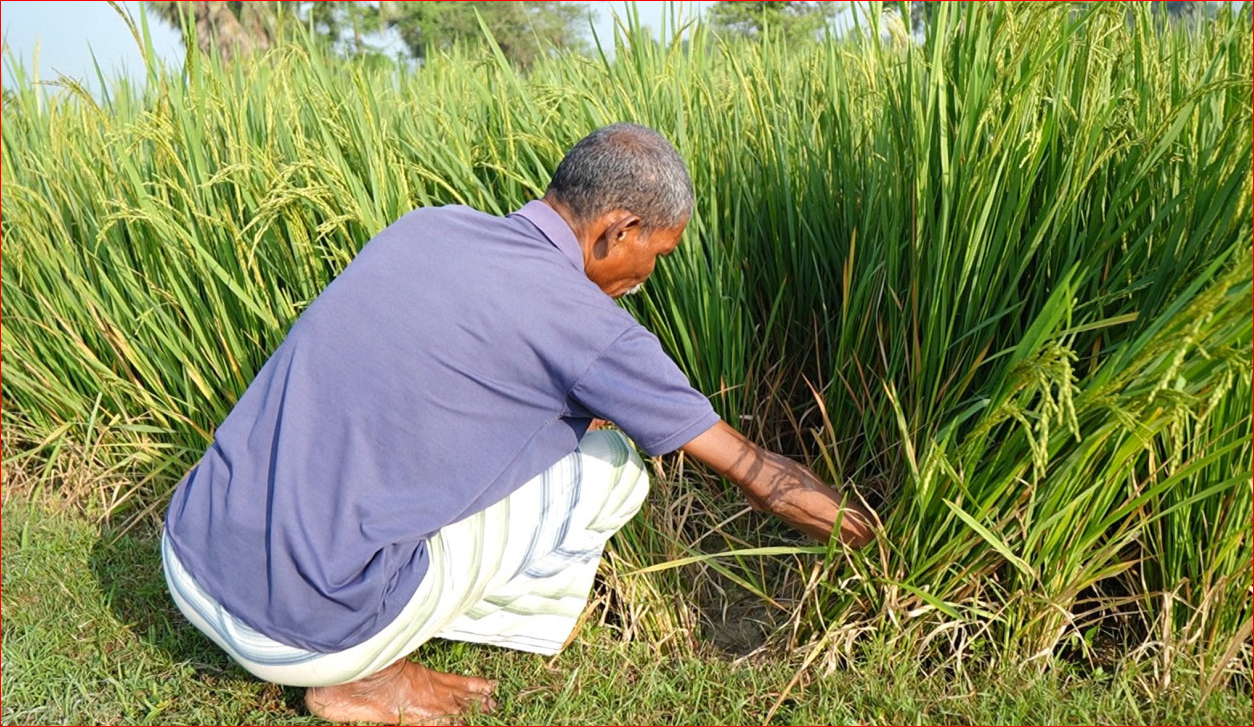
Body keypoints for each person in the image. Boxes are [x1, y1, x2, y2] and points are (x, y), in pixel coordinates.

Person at [161, 122, 875, 724]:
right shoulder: (594, 328)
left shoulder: (428, 224)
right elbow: (758, 477)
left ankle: (374, 620)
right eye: (654, 256)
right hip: (303, 634)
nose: (644, 277)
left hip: (189, 555)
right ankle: (371, 668)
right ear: (617, 229)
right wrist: (875, 539)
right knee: (617, 469)